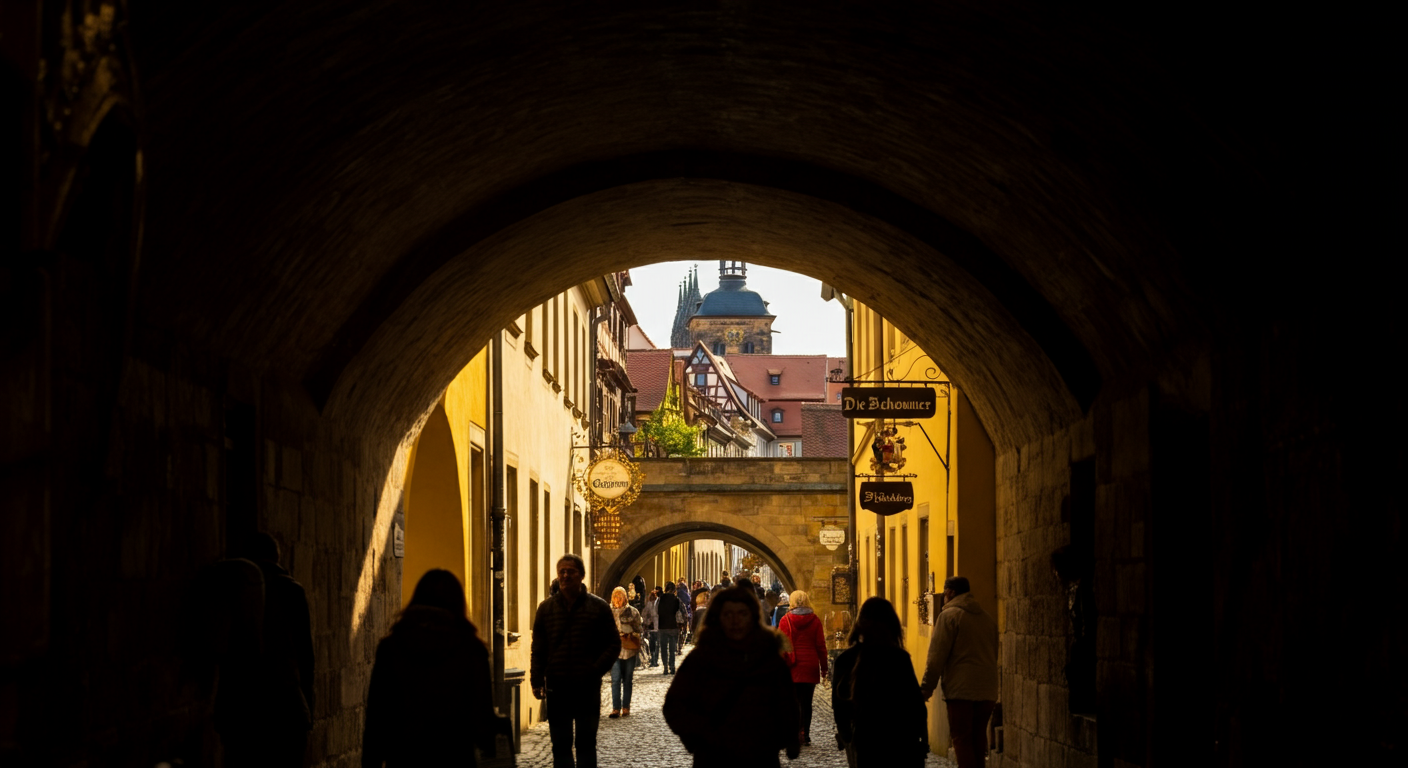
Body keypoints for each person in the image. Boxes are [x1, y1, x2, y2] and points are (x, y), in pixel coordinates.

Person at [363, 569, 500, 767]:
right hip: (454, 757)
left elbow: (377, 715)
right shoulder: (472, 650)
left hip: (404, 757)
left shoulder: (391, 647)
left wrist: (371, 761)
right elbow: (482, 718)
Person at [663, 587, 800, 767]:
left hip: (759, 756)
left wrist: (782, 739)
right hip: (714, 757)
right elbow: (674, 706)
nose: (735, 621)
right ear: (718, 617)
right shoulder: (701, 659)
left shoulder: (768, 659)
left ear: (752, 616)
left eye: (742, 613)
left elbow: (787, 703)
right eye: (728, 614)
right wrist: (700, 737)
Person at [215, 532, 315, 768]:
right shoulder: (291, 591)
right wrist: (308, 706)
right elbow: (305, 655)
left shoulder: (229, 588)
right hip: (284, 706)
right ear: (276, 557)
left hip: (241, 708)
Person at [531, 554, 621, 768]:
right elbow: (539, 648)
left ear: (581, 575)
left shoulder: (598, 607)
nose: (565, 575)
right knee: (560, 744)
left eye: (570, 571)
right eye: (561, 571)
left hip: (586, 686)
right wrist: (536, 680)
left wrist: (595, 670)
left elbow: (613, 644)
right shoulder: (546, 609)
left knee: (586, 743)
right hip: (557, 686)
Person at [831, 597, 927, 768]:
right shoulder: (899, 658)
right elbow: (916, 704)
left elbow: (840, 706)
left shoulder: (846, 660)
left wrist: (847, 736)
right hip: (900, 741)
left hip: (866, 741)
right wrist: (921, 738)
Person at [919, 576, 999, 768]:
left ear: (949, 593)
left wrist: (926, 688)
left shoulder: (949, 617)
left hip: (961, 690)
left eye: (945, 593)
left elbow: (936, 656)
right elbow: (994, 652)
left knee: (961, 739)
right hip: (987, 689)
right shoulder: (987, 619)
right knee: (978, 739)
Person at [778, 590, 828, 746]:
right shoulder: (815, 620)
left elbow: (781, 646)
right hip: (810, 666)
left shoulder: (785, 620)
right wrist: (824, 668)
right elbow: (821, 646)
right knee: (806, 703)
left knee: (793, 703)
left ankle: (794, 733)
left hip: (792, 667)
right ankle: (805, 733)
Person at [609, 586, 644, 718]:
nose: (617, 599)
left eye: (620, 596)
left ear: (625, 598)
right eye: (615, 596)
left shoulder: (632, 612)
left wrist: (630, 634)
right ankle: (615, 708)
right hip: (614, 650)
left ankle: (626, 707)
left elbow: (639, 630)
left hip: (629, 649)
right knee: (616, 679)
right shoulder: (608, 612)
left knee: (628, 679)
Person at [656, 581, 683, 674]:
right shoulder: (676, 599)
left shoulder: (660, 599)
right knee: (672, 648)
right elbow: (680, 612)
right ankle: (672, 666)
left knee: (663, 648)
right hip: (673, 626)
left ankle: (665, 667)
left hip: (662, 626)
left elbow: (656, 611)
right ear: (674, 590)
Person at [642, 587, 661, 667]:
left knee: (653, 643)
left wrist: (646, 622)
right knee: (655, 644)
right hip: (655, 626)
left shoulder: (649, 604)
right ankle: (654, 659)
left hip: (653, 626)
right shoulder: (656, 603)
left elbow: (644, 614)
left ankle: (653, 659)